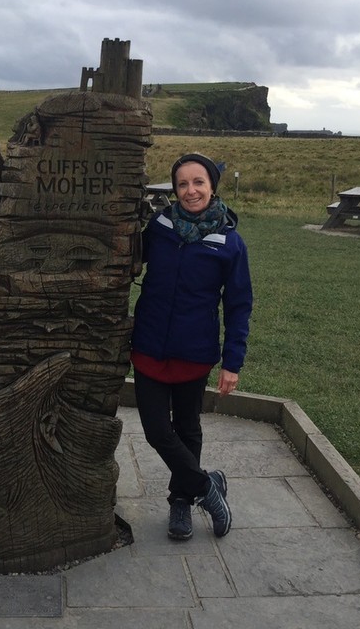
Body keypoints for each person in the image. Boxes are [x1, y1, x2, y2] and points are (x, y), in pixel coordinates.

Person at [130, 153, 253, 541]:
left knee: (187, 427)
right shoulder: (160, 227)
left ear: (212, 185)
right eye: (182, 184)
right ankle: (207, 487)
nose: (190, 190)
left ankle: (181, 501)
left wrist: (232, 362)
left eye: (198, 182)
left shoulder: (229, 243)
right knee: (156, 430)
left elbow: (238, 305)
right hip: (149, 345)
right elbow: (129, 259)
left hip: (193, 350)